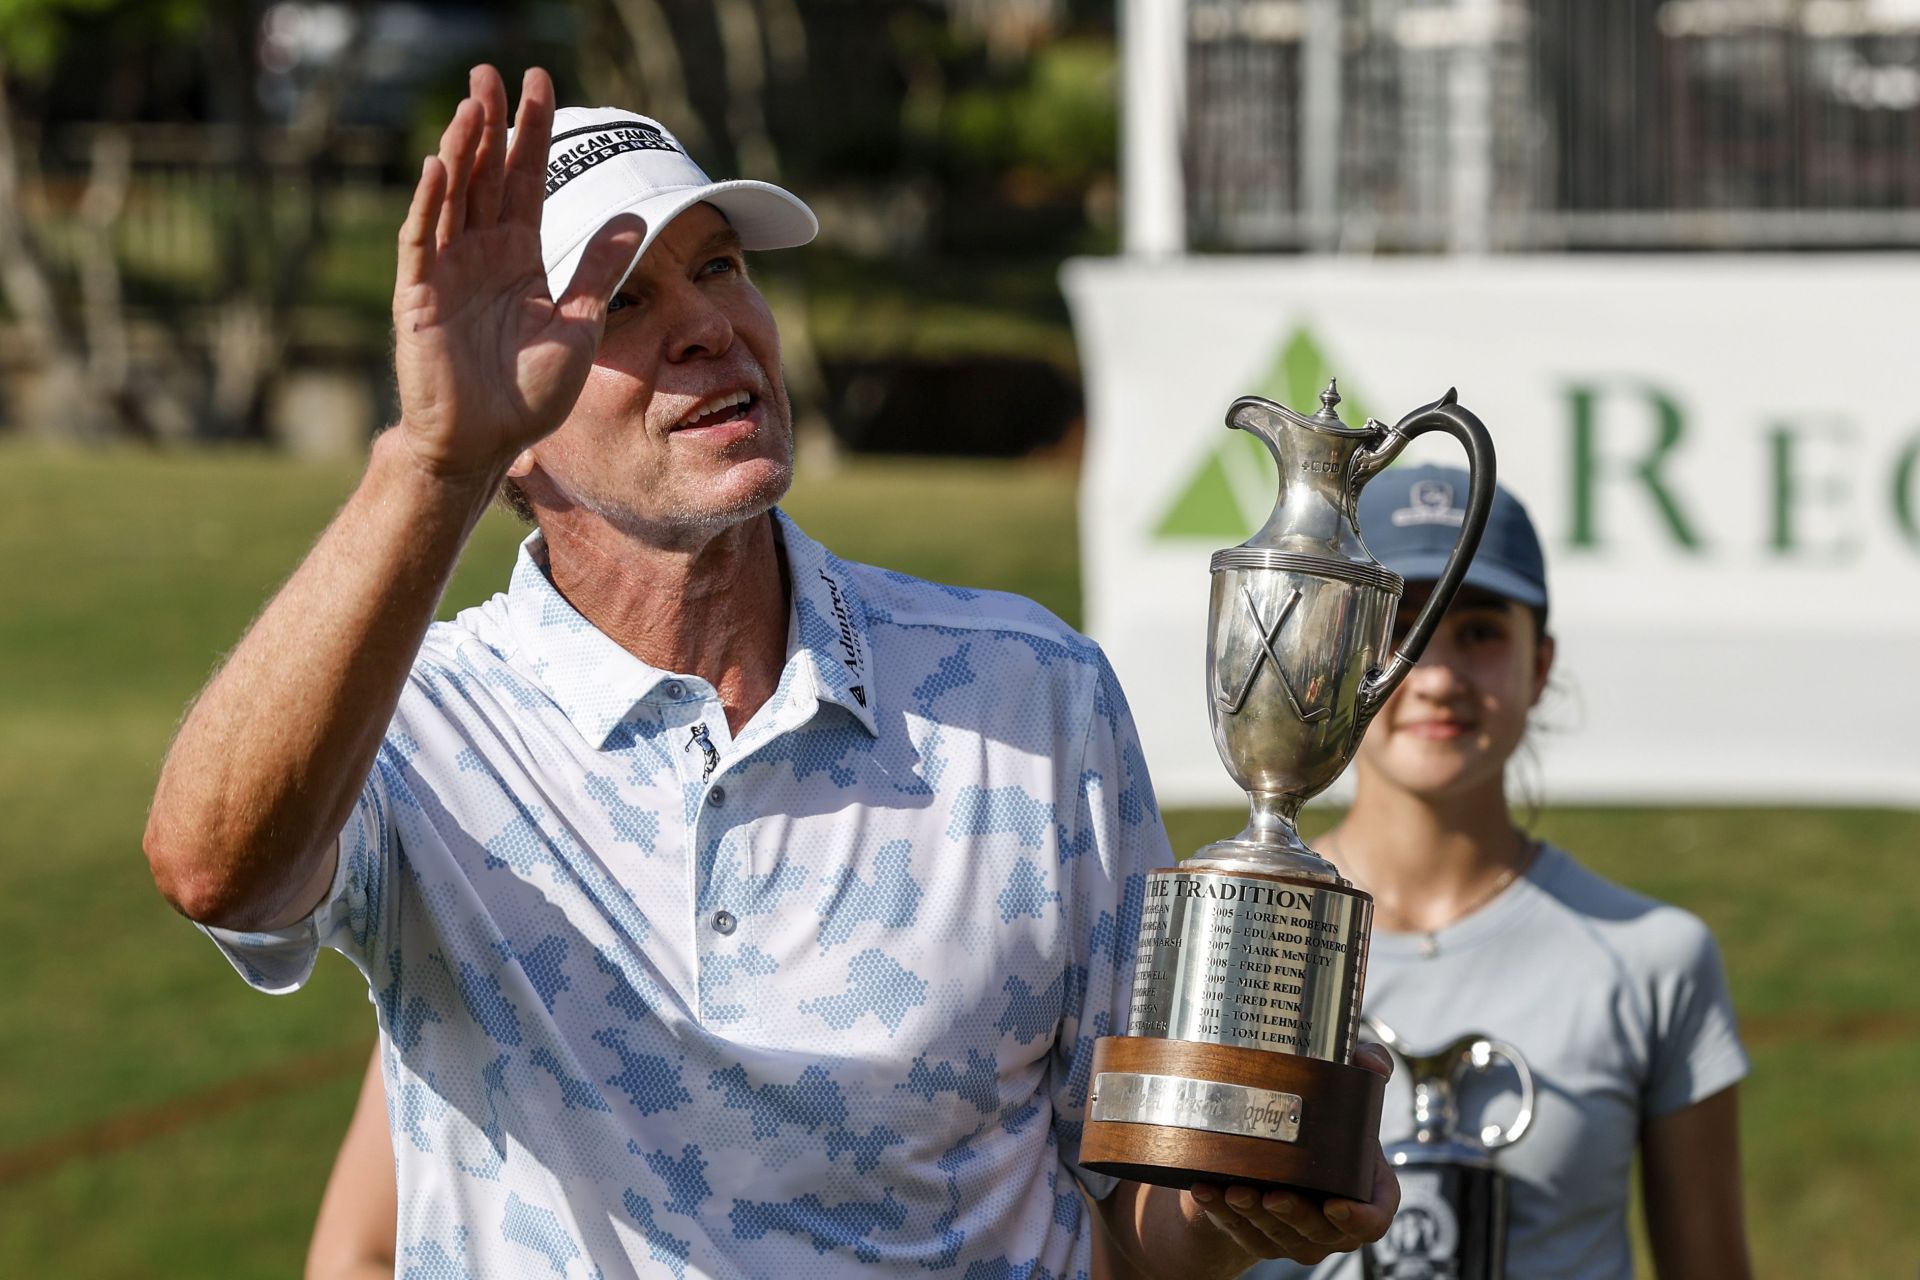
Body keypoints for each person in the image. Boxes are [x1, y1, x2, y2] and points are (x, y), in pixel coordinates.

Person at [143, 65, 1398, 1278]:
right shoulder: (419, 726)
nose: (706, 325)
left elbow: (1132, 1225)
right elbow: (213, 866)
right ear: (514, 444)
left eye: (721, 267)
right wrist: (429, 458)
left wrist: (1245, 1204)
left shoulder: (1031, 689)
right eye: (620, 300)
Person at [1251, 466, 1752, 1280]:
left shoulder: (1655, 958)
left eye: (1479, 631)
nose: (1439, 676)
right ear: (1332, 652)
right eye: (1400, 628)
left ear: (1540, 663)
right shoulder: (1234, 934)